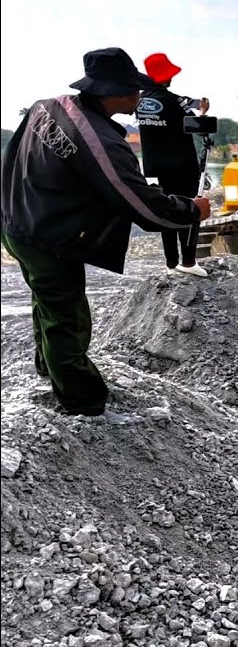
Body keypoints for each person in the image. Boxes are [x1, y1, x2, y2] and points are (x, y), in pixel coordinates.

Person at [1, 47, 211, 416]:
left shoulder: (46, 107)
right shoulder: (99, 141)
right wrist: (192, 210)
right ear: (113, 93)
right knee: (68, 318)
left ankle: (47, 368)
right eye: (134, 90)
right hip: (47, 236)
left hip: (17, 220)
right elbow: (142, 205)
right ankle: (84, 402)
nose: (139, 97)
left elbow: (15, 156)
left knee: (46, 300)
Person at [137, 52, 210, 277]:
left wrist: (193, 102)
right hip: (182, 167)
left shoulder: (139, 101)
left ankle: (171, 264)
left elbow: (180, 100)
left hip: (154, 168)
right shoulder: (173, 102)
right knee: (191, 209)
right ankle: (188, 262)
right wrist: (204, 112)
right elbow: (197, 124)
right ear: (165, 76)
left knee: (166, 210)